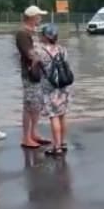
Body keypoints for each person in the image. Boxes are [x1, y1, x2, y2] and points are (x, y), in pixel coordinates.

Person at [16, 5, 50, 149]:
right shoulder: (22, 33)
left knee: (37, 105)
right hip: (30, 74)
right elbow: (30, 54)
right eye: (38, 16)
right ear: (31, 17)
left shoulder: (33, 32)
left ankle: (34, 133)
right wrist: (43, 55)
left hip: (38, 73)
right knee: (29, 106)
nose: (40, 18)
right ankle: (26, 138)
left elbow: (38, 52)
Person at [36, 24, 72, 156]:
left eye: (42, 34)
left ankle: (56, 148)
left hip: (50, 88)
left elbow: (34, 67)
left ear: (46, 36)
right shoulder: (62, 49)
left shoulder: (40, 51)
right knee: (62, 115)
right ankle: (63, 143)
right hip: (63, 87)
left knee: (54, 117)